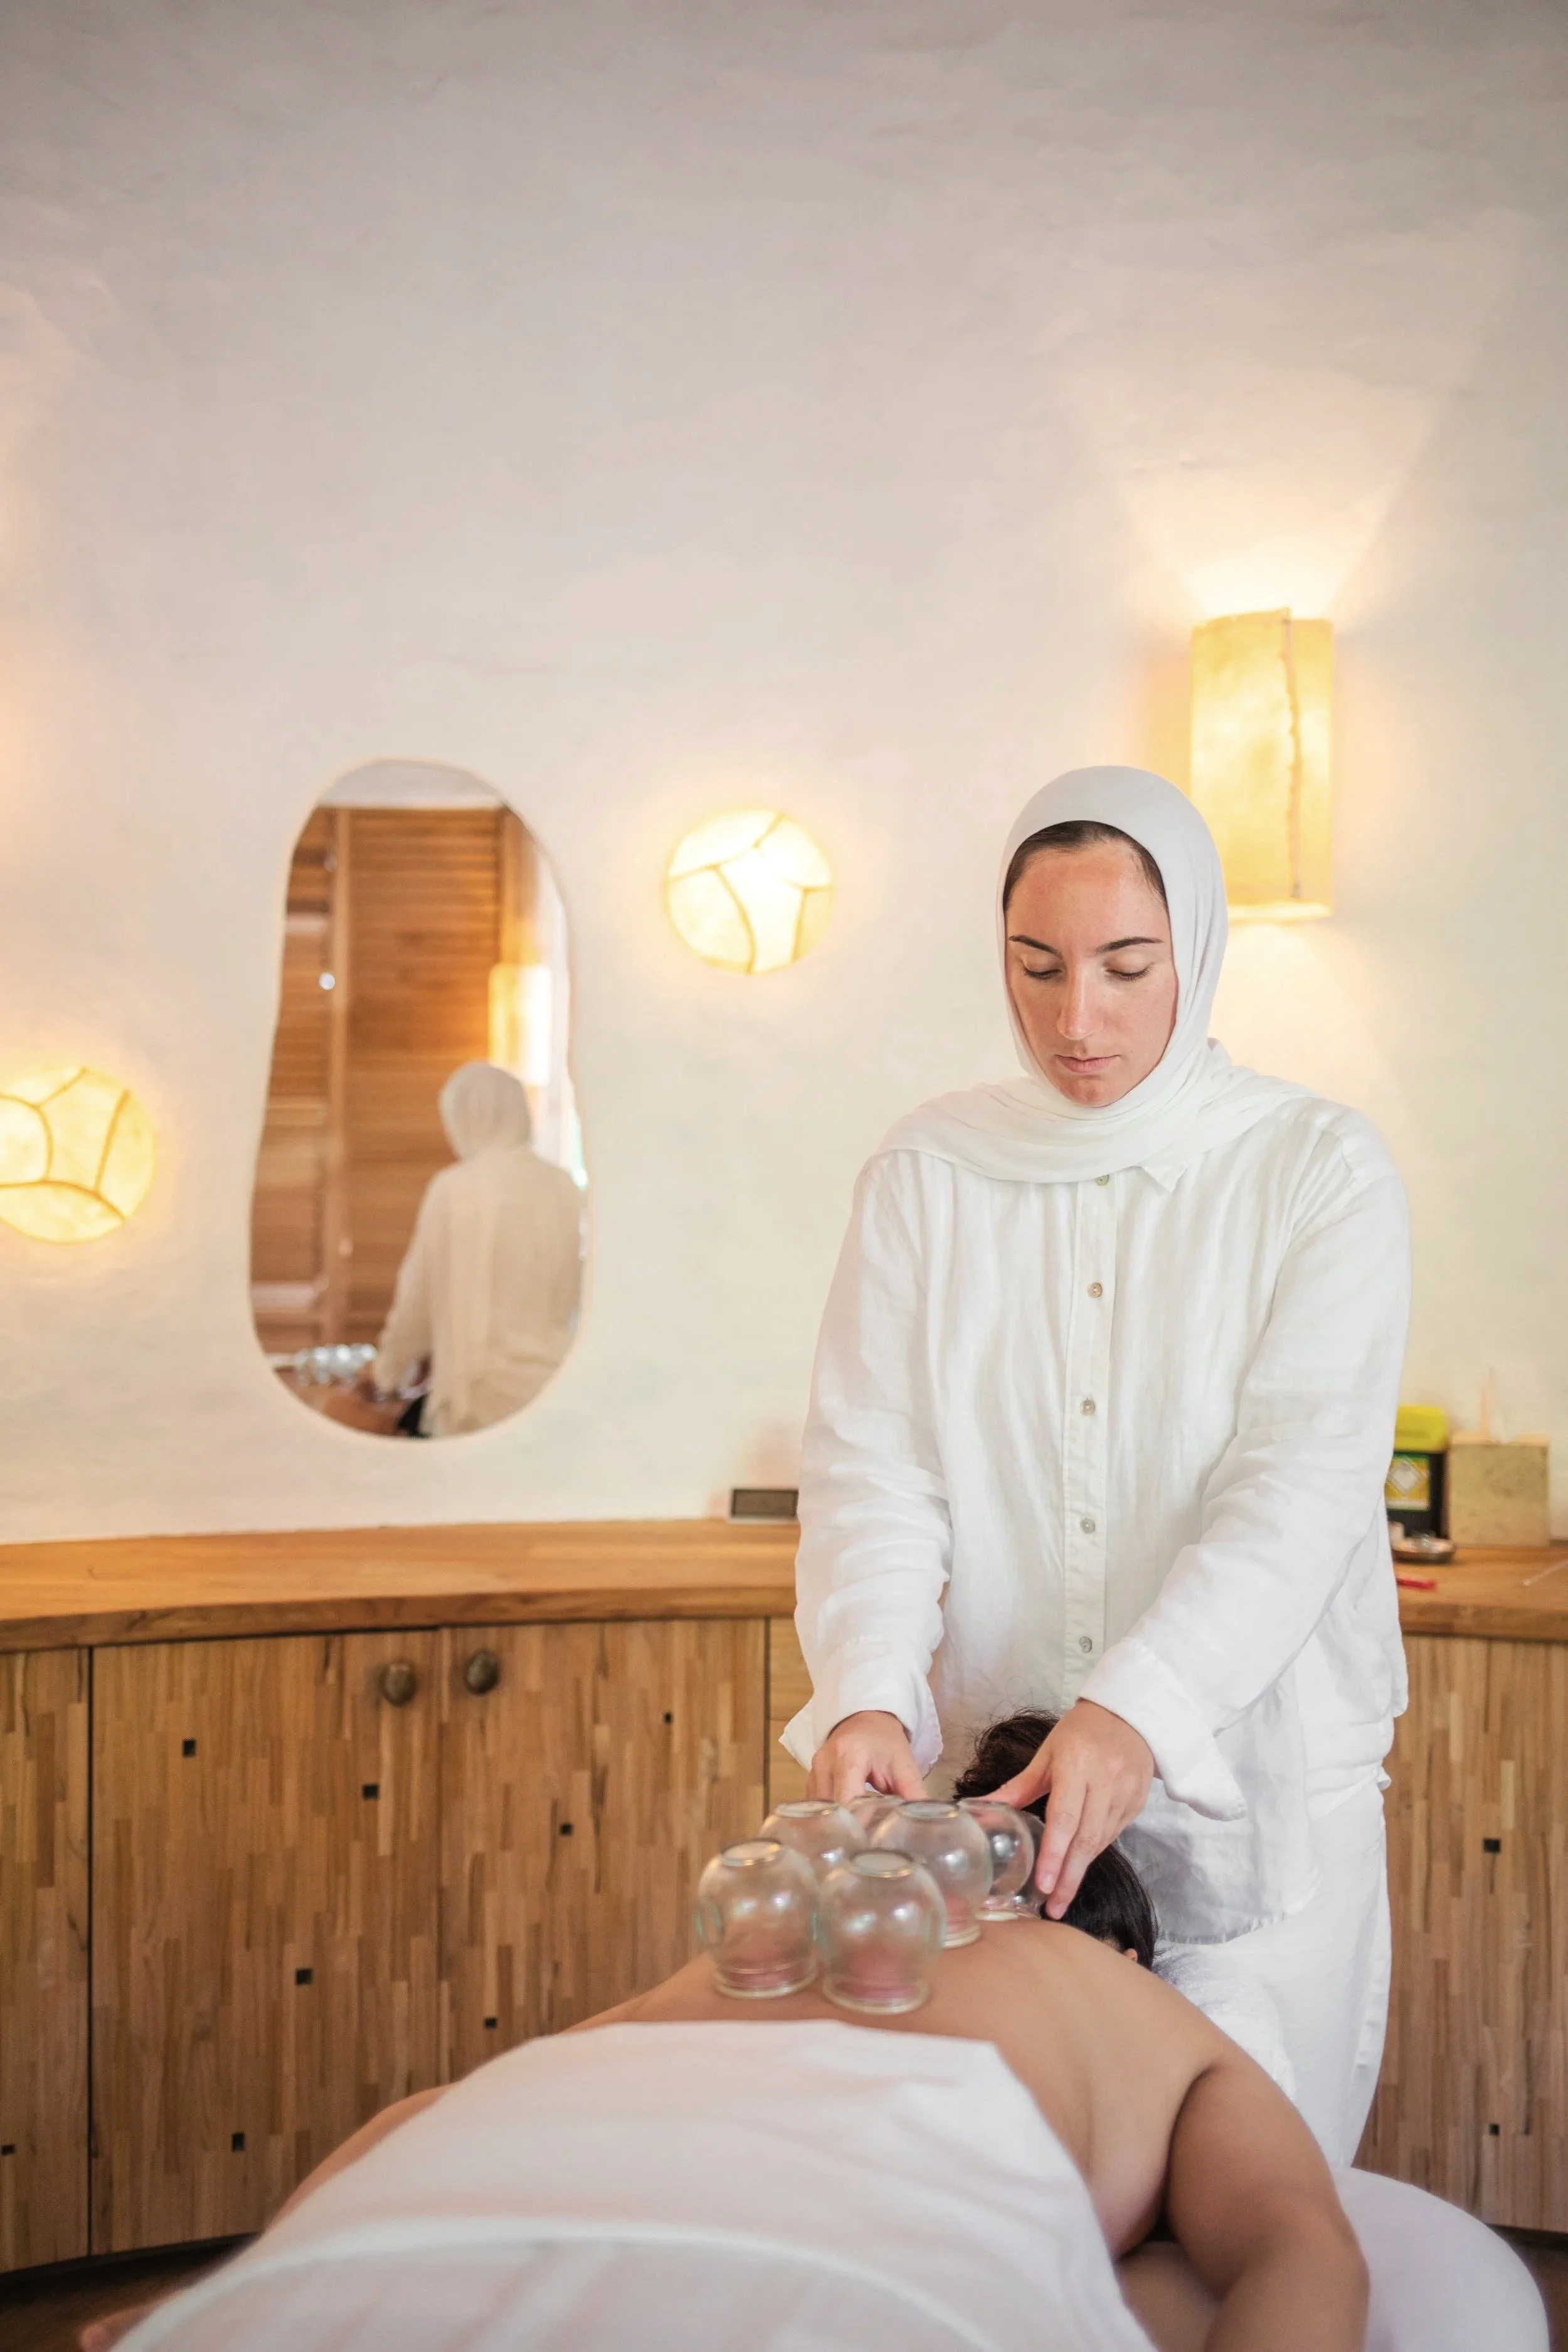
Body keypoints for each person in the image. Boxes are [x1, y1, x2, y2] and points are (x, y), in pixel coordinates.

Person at [790, 765, 1411, 2163]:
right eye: (1037, 965)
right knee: (1020, 2193)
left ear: (1194, 947)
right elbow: (875, 1471)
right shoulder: (928, 1174)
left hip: (1246, 1806)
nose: (1077, 1019)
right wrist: (869, 1694)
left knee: (1242, 2183)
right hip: (1010, 1828)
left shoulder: (1311, 1169)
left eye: (1127, 968)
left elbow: (1296, 1486)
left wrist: (1139, 1707)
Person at [79, 1783, 1544, 2352]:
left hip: (412, 2225)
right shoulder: (1144, 2015)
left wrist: (224, 2290)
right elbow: (1306, 2250)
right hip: (858, 2261)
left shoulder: (726, 1968)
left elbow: (433, 2113)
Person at [368, 1061, 583, 1436]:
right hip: (553, 1387)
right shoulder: (562, 1186)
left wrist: (386, 1372)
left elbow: (417, 1298)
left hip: (479, 1399)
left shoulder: (455, 1189)